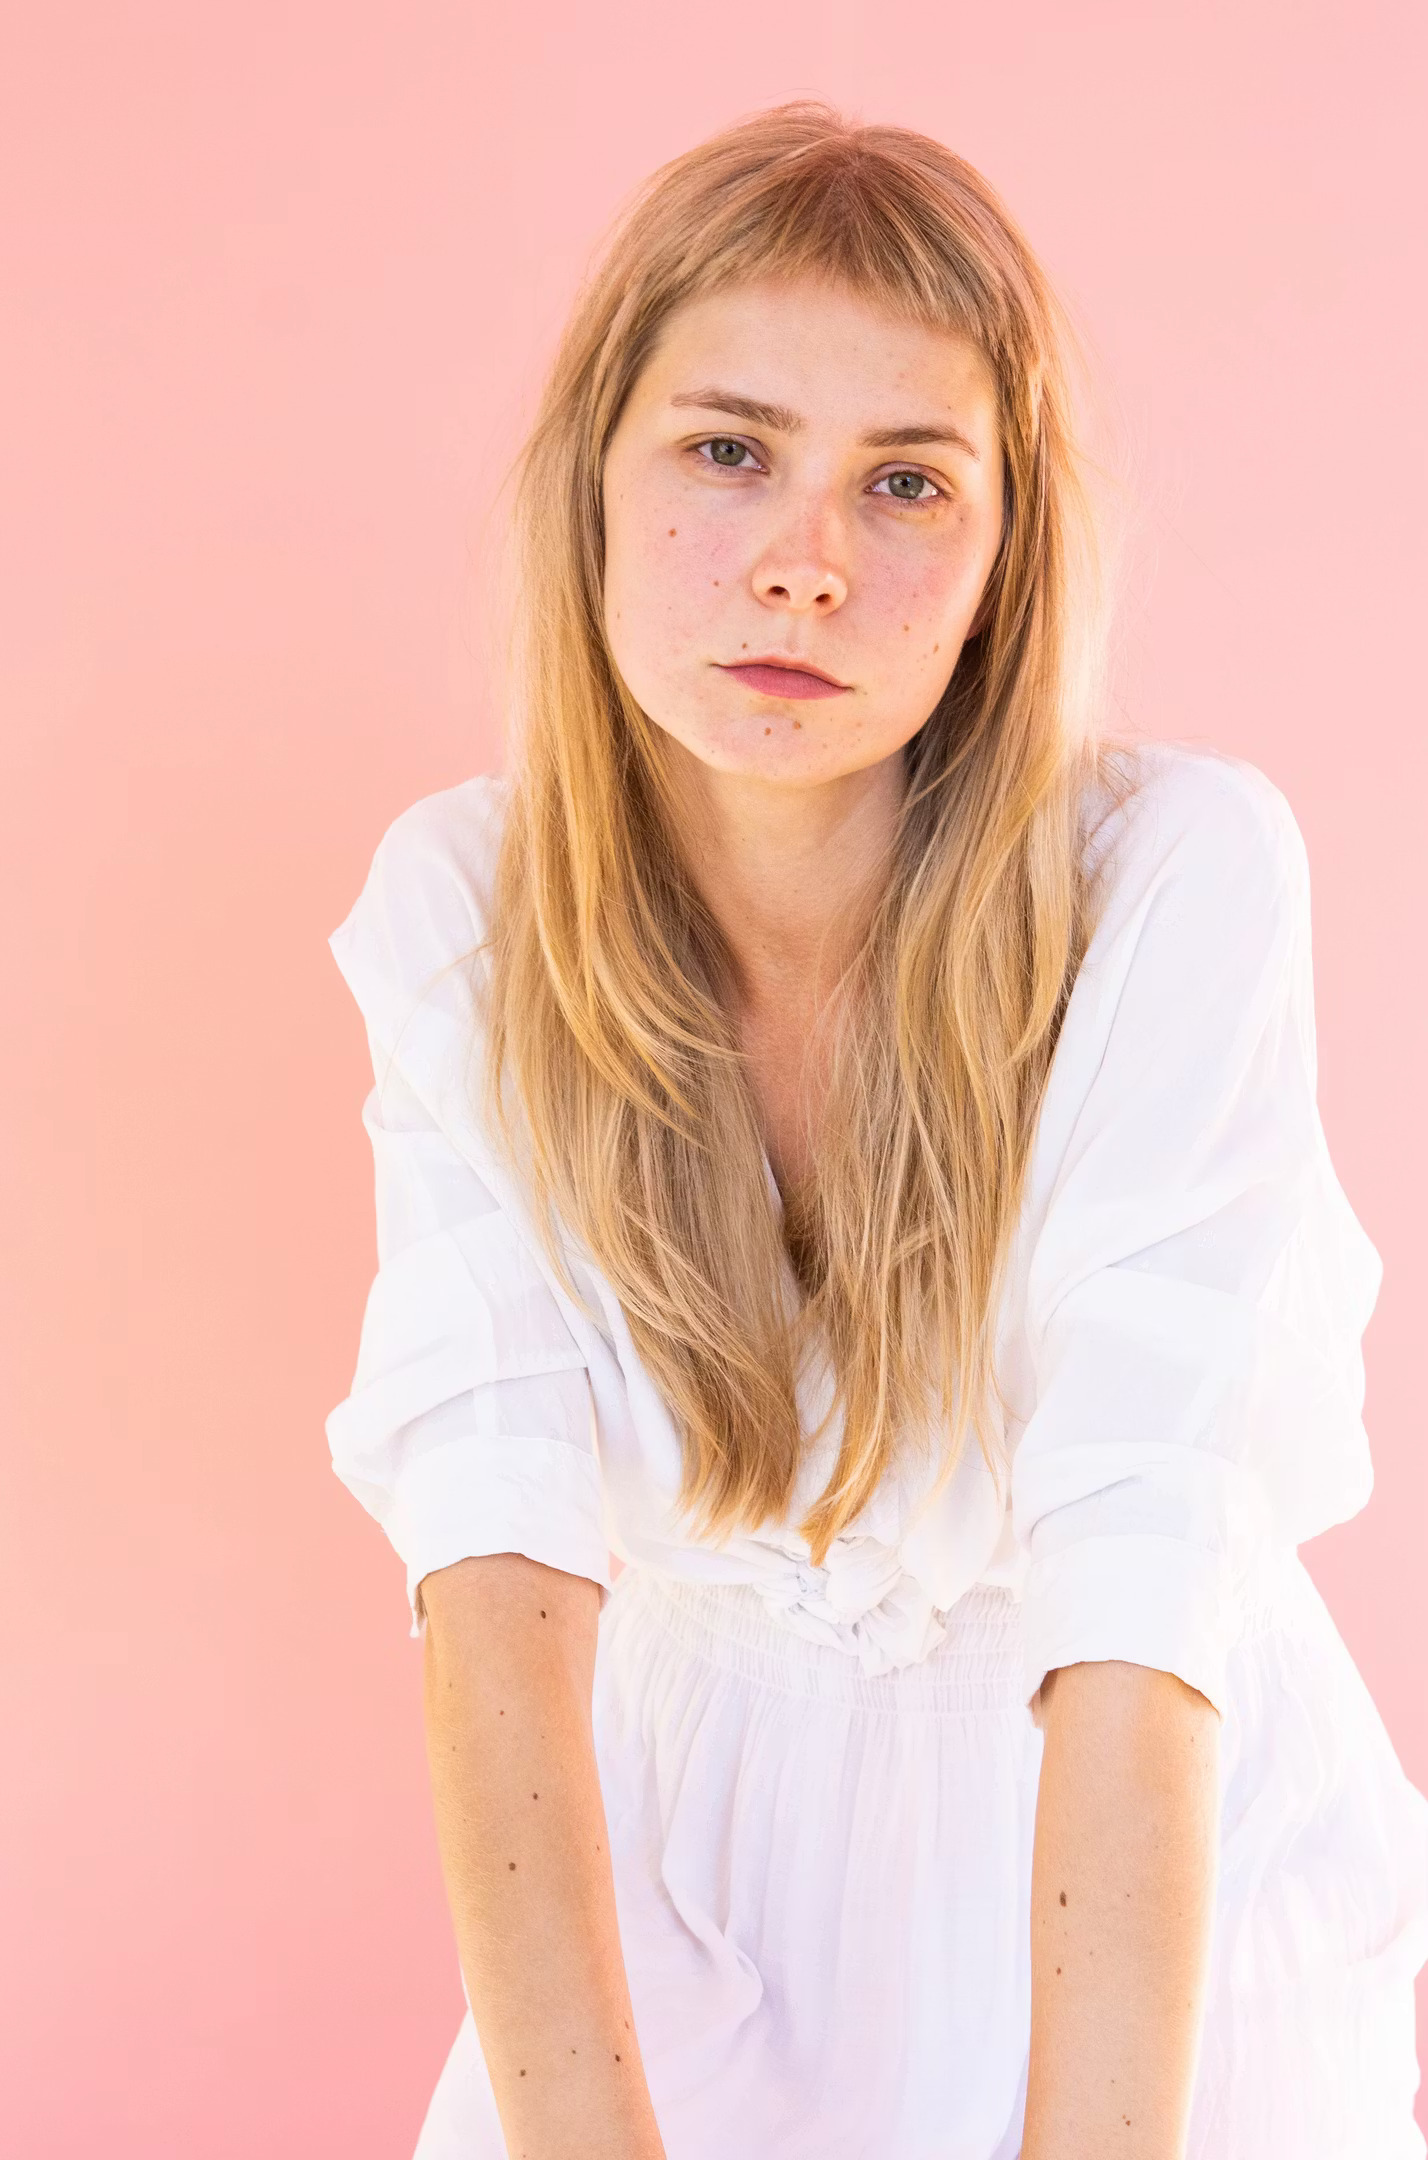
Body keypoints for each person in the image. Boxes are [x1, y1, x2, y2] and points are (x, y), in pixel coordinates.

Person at [323, 103, 1428, 2160]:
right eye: (727, 450)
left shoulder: (1177, 877)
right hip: (695, 1866)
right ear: (593, 483)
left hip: (1148, 1870)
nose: (804, 561)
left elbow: (1143, 1562)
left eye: (907, 481)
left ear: (1005, 561)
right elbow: (494, 1571)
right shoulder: (464, 909)